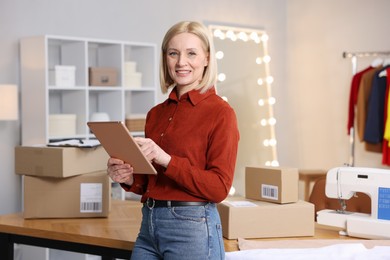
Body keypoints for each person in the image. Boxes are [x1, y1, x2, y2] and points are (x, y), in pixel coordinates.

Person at [107, 21, 239, 260]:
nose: (181, 62)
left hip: (192, 229)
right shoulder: (155, 114)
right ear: (165, 58)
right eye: (173, 53)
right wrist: (127, 178)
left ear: (207, 59)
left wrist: (166, 159)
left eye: (191, 53)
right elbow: (151, 184)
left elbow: (219, 188)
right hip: (149, 225)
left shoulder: (221, 113)